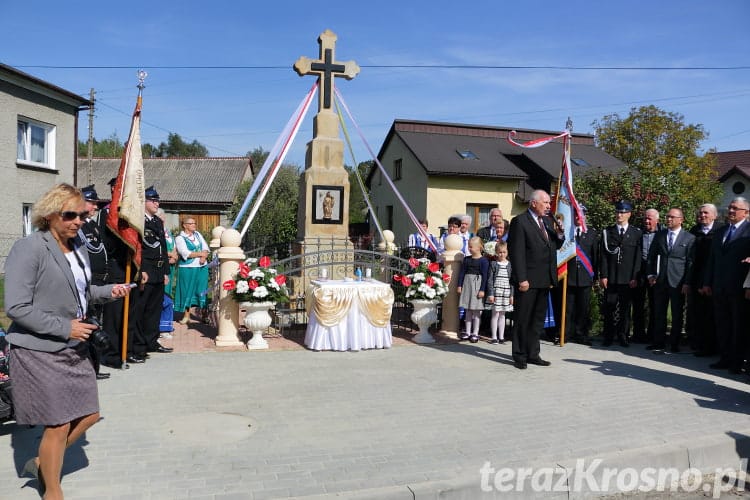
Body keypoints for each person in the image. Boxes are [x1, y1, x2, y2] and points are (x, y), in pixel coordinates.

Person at [5, 183, 130, 499]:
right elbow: (16, 307)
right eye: (70, 215)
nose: (79, 221)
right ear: (49, 215)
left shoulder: (78, 248)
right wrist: (65, 328)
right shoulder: (29, 248)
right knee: (58, 424)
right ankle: (52, 489)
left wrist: (108, 291)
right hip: (39, 349)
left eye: (83, 215)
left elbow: (80, 292)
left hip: (75, 348)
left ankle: (41, 461)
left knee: (88, 413)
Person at [507, 189, 564, 369]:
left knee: (537, 320)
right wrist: (521, 278)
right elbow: (516, 253)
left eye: (549, 203)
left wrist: (560, 233)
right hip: (528, 281)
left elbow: (554, 245)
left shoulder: (547, 221)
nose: (548, 206)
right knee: (523, 319)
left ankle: (533, 353)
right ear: (533, 203)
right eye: (545, 202)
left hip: (544, 279)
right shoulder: (520, 222)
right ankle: (520, 355)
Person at [701, 197, 750, 374]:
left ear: (746, 212)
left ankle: (737, 362)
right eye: (730, 207)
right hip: (719, 287)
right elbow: (712, 260)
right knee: (722, 325)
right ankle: (725, 357)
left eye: (735, 208)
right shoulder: (721, 232)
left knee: (739, 326)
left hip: (739, 288)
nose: (730, 211)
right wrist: (707, 282)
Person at [646, 207, 695, 353]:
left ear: (681, 219)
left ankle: (674, 343)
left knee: (677, 313)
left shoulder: (689, 238)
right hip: (660, 280)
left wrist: (687, 282)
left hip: (678, 282)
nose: (668, 219)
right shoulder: (660, 235)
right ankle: (658, 342)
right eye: (667, 216)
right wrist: (650, 274)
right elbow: (651, 256)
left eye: (672, 217)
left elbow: (690, 262)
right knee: (658, 312)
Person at [132, 186, 173, 357]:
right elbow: (137, 248)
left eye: (157, 200)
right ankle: (139, 345)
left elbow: (163, 248)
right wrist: (140, 270)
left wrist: (165, 272)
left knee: (154, 310)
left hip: (158, 271)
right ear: (145, 201)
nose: (157, 203)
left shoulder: (157, 221)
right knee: (142, 309)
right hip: (146, 271)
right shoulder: (137, 221)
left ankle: (151, 341)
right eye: (153, 200)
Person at [599, 200, 642, 348]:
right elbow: (603, 256)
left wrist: (635, 277)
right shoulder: (607, 232)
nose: (619, 215)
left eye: (623, 212)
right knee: (609, 308)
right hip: (611, 277)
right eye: (617, 212)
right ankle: (608, 336)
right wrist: (603, 275)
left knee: (625, 309)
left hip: (627, 279)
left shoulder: (636, 233)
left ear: (629, 214)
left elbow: (638, 257)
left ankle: (623, 335)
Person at [79, 184, 111, 380]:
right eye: (92, 202)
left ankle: (95, 366)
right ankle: (89, 366)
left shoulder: (91, 225)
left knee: (97, 323)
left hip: (100, 279)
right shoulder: (80, 225)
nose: (95, 206)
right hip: (89, 281)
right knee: (89, 324)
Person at [687, 204, 724, 357]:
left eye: (705, 213)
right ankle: (699, 344)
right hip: (696, 279)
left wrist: (707, 282)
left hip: (714, 279)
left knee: (713, 315)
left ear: (715, 216)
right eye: (700, 212)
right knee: (698, 313)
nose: (702, 215)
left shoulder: (721, 231)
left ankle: (714, 347)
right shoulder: (694, 231)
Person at [565, 205, 598, 346]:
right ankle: (566, 333)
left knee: (583, 308)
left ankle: (581, 334)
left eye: (581, 215)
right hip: (569, 275)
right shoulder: (567, 231)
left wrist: (595, 277)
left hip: (585, 277)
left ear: (585, 217)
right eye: (576, 215)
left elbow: (595, 256)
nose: (579, 218)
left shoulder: (591, 233)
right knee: (568, 308)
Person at [631, 208, 661, 343]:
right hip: (640, 271)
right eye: (645, 218)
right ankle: (638, 334)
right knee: (638, 304)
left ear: (657, 220)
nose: (647, 221)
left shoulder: (662, 234)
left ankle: (653, 335)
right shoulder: (638, 233)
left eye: (650, 218)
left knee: (655, 304)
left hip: (655, 273)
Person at [174, 216, 210, 324]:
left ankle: (204, 315)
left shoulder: (198, 234)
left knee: (202, 290)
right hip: (187, 268)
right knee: (187, 290)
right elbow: (185, 253)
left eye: (194, 223)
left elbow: (205, 247)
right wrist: (200, 254)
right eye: (191, 223)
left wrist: (204, 257)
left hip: (202, 267)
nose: (194, 225)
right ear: (185, 225)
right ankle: (186, 315)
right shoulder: (180, 238)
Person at [456, 236, 490, 343]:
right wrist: (459, 285)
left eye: (471, 247)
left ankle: (475, 333)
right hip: (467, 285)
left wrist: (482, 290)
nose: (469, 248)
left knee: (476, 311)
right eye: (468, 246)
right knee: (468, 311)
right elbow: (462, 273)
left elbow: (485, 276)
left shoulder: (484, 261)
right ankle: (468, 332)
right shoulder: (467, 260)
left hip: (477, 286)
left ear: (479, 247)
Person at [486, 240, 513, 344]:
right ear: (496, 252)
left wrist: (512, 295)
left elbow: (511, 282)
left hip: (506, 293)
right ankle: (494, 337)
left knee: (502, 315)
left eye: (504, 252)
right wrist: (491, 294)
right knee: (495, 314)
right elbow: (490, 280)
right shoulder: (493, 264)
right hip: (497, 291)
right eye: (500, 252)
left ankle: (501, 336)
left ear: (507, 252)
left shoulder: (510, 265)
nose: (502, 254)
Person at [157, 208, 178, 339]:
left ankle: (166, 326)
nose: (163, 220)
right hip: (160, 267)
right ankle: (158, 327)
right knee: (160, 298)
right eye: (161, 218)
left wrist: (174, 256)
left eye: (164, 218)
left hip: (170, 268)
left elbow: (174, 247)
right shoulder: (154, 231)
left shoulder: (168, 232)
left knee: (168, 297)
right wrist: (169, 255)